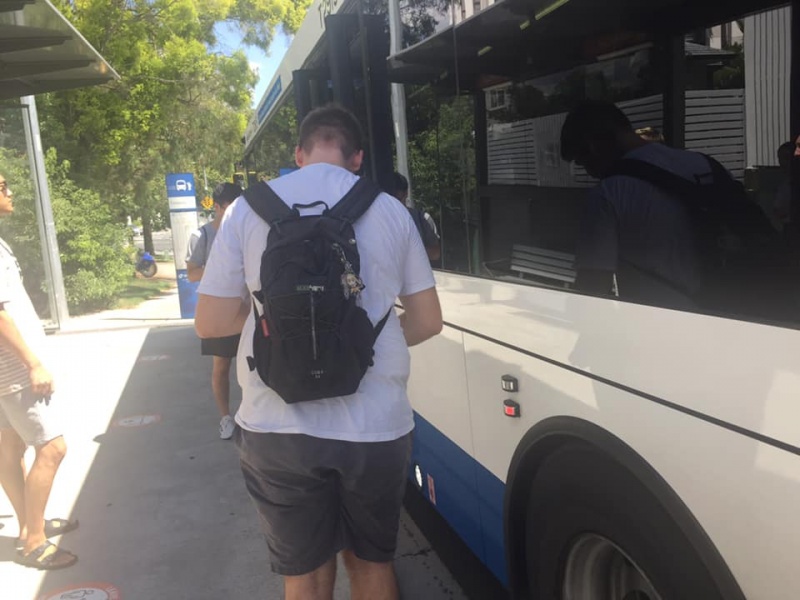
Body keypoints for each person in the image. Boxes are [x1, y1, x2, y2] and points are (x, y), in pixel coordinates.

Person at [194, 105, 442, 600]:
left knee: (303, 575)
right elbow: (428, 321)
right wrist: (360, 340)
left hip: (275, 425)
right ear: (357, 158)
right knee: (371, 565)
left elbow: (211, 322)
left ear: (298, 154)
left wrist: (275, 325)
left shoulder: (245, 209)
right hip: (374, 424)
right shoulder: (391, 210)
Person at [560, 100, 712, 309]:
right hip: (734, 315)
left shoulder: (609, 191)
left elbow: (592, 287)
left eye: (581, 161)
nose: (589, 171)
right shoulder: (706, 165)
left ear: (592, 147)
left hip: (658, 321)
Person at [0, 174, 78, 569]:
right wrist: (33, 364)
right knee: (52, 447)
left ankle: (28, 526)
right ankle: (34, 541)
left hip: (7, 371)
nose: (9, 191)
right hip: (14, 371)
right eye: (2, 187)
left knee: (10, 447)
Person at [186, 182, 243, 440]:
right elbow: (191, 273)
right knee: (221, 367)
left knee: (254, 366)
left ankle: (252, 417)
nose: (235, 213)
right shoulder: (202, 236)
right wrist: (220, 266)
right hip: (219, 311)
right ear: (217, 207)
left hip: (246, 309)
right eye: (230, 208)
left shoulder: (246, 229)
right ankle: (225, 418)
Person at [386, 172, 441, 261]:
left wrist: (412, 251)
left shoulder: (422, 219)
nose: (394, 204)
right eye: (390, 200)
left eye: (398, 199)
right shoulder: (380, 222)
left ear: (406, 193)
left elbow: (435, 253)